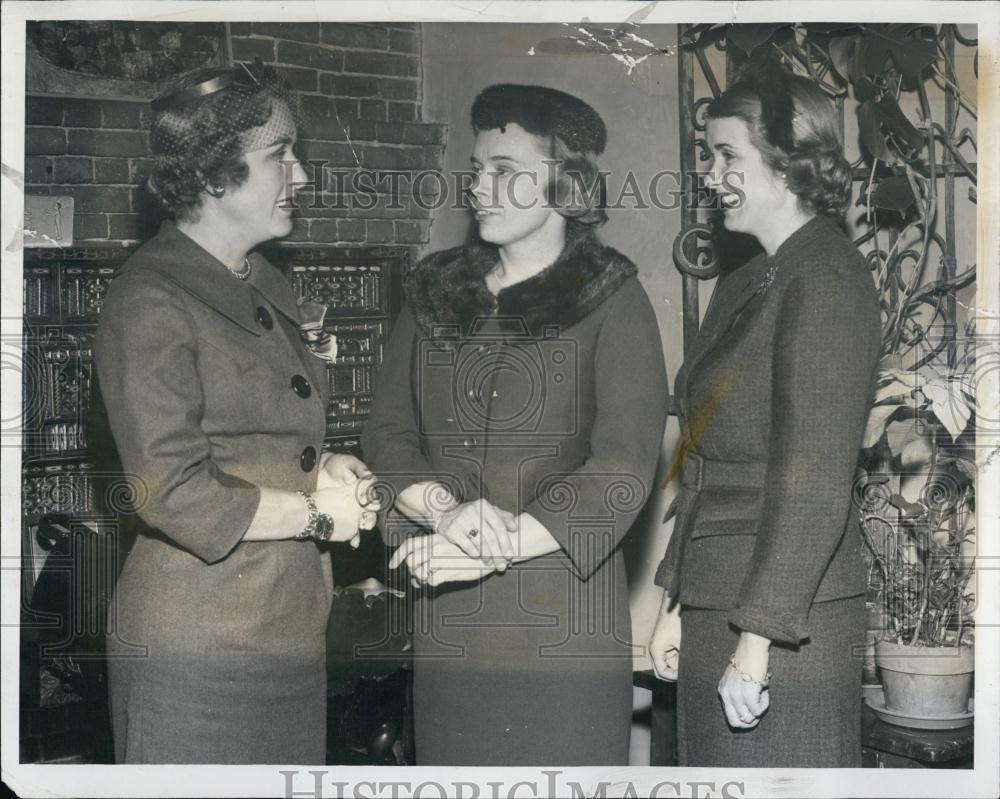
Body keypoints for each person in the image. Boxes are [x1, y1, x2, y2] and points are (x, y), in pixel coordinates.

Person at [361, 83, 668, 766]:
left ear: (565, 185)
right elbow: (386, 435)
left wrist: (491, 547)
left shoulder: (614, 301)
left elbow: (622, 471)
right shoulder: (433, 292)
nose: (480, 189)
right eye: (476, 170)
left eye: (506, 172)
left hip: (563, 626)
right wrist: (442, 512)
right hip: (450, 622)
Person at [95, 64, 378, 764]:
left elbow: (269, 438)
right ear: (214, 175)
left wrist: (328, 468)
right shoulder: (149, 296)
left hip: (286, 633)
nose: (302, 176)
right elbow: (173, 490)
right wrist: (316, 514)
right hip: (197, 648)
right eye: (280, 156)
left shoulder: (265, 282)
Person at [647, 59, 881, 766]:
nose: (710, 175)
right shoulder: (749, 276)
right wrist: (676, 601)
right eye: (706, 156)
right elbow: (706, 462)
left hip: (787, 628)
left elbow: (811, 481)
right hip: (722, 601)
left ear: (788, 161)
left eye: (727, 156)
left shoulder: (829, 277)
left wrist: (757, 644)